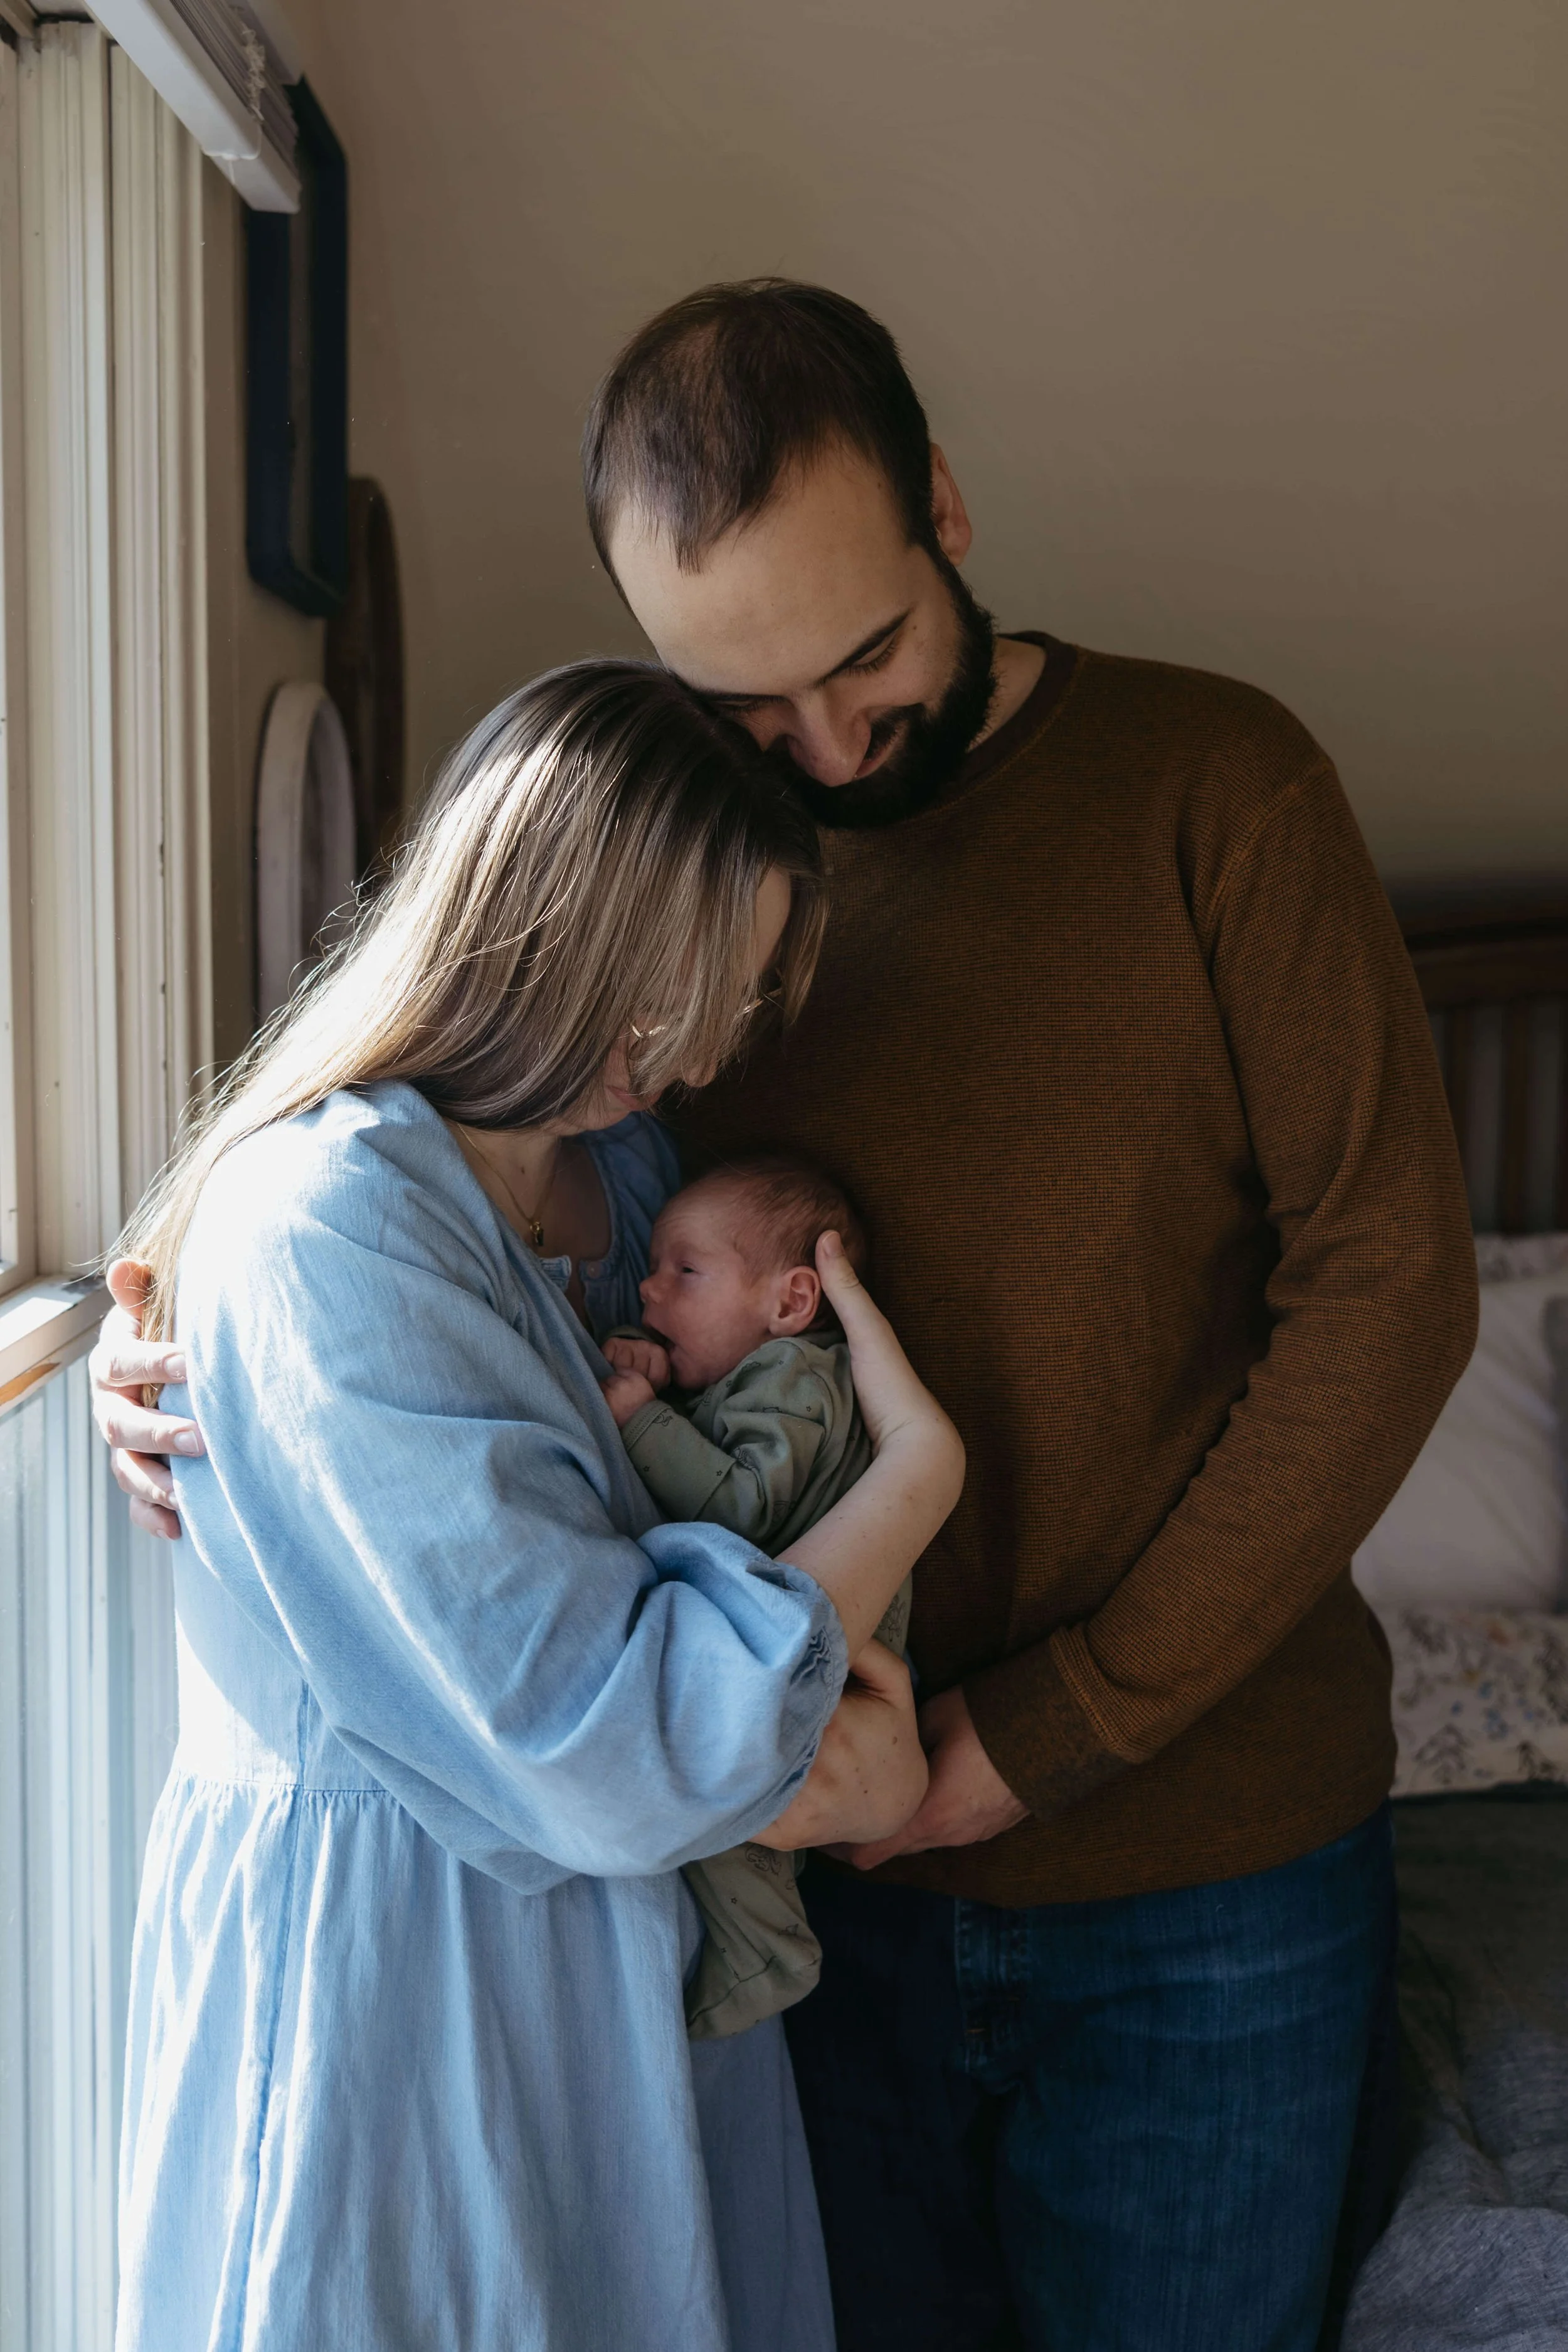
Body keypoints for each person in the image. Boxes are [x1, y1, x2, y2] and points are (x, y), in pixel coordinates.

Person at [96, 282, 1478, 2350]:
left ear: (943, 504)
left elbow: (1390, 1298)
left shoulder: (1218, 795)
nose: (827, 749)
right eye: (746, 709)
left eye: (867, 660)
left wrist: (1028, 1742)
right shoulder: (665, 937)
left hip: (1193, 1870)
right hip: (792, 1892)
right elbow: (462, 1204)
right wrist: (190, 1348)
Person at [102, 658, 963, 2352]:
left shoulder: (623, 1177)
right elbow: (613, 1725)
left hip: (607, 1966)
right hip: (399, 1986)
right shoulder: (330, 1217)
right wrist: (918, 1487)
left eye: (735, 993)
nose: (708, 1041)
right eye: (683, 988)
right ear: (551, 926)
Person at [600, 1153, 908, 2040]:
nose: (653, 1293)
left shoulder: (799, 1379)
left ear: (792, 1302)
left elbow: (741, 1505)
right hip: (801, 1639)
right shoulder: (752, 1377)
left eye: (684, 1271)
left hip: (837, 1648)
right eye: (654, 1270)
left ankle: (768, 1945)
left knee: (728, 1796)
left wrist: (638, 1418)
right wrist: (653, 1381)